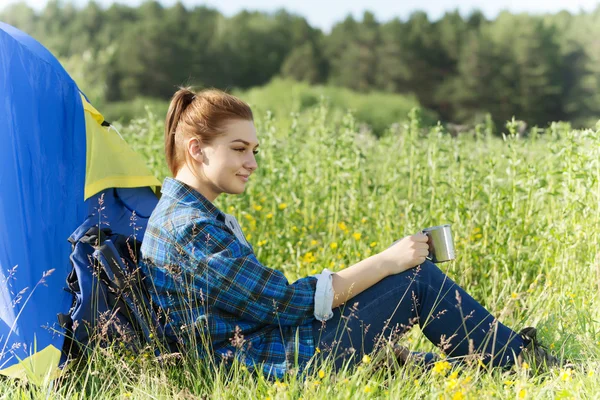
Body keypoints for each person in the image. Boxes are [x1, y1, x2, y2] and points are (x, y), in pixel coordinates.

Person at [139, 87, 564, 381]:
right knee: (413, 280)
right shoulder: (189, 227)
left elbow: (261, 306)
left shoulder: (187, 215)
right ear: (196, 149)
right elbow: (285, 303)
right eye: (238, 149)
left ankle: (487, 360)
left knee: (417, 357)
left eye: (254, 150)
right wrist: (386, 262)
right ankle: (525, 364)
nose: (251, 162)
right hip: (269, 365)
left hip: (265, 349)